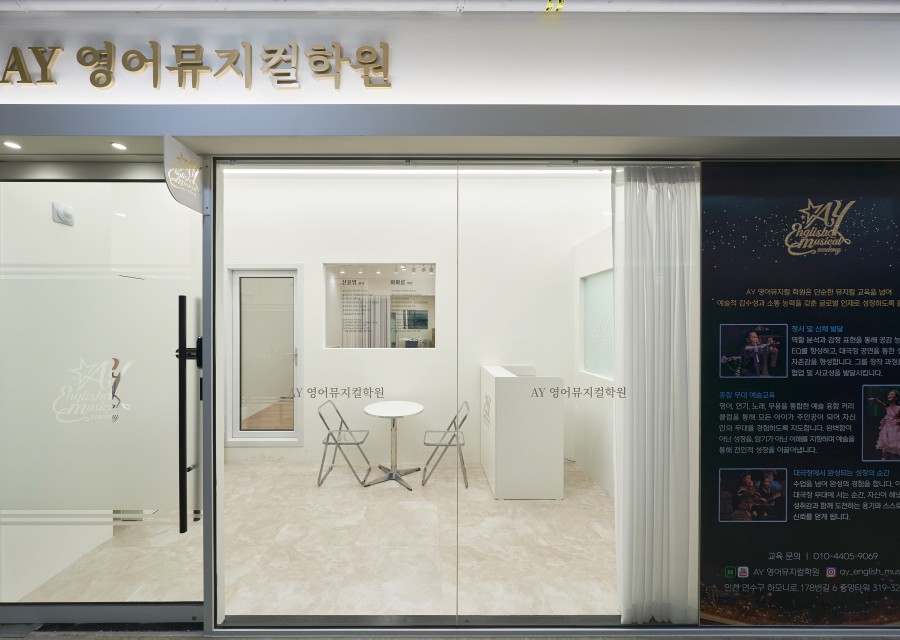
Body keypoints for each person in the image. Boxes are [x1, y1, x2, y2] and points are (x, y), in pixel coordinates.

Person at [870, 390, 900, 460]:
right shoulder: (887, 406)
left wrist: (896, 421)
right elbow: (880, 403)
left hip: (895, 431)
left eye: (892, 394)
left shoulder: (899, 408)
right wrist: (874, 400)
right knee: (884, 452)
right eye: (889, 394)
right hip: (886, 431)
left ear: (896, 398)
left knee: (895, 453)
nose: (889, 395)